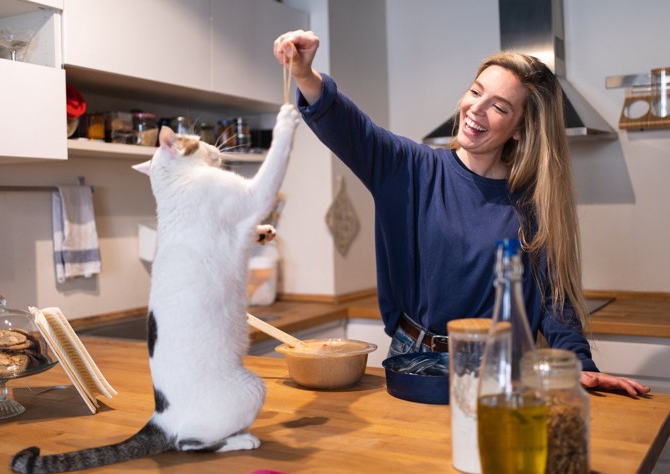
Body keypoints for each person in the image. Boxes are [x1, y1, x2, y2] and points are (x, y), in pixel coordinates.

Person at [273, 30, 650, 396]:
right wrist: (305, 75)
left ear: (520, 129)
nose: (476, 110)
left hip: (499, 370)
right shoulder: (409, 169)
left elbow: (555, 303)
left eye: (499, 107)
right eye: (476, 92)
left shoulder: (533, 204)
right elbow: (353, 130)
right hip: (413, 362)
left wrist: (582, 366)